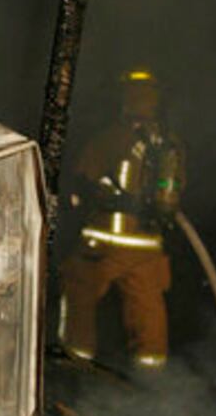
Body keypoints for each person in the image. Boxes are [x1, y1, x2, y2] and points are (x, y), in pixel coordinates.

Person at [59, 70, 185, 370]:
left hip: (102, 242)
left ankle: (74, 364)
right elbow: (175, 192)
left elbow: (81, 182)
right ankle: (151, 376)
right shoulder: (171, 144)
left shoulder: (109, 139)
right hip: (148, 245)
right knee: (148, 310)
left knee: (79, 294)